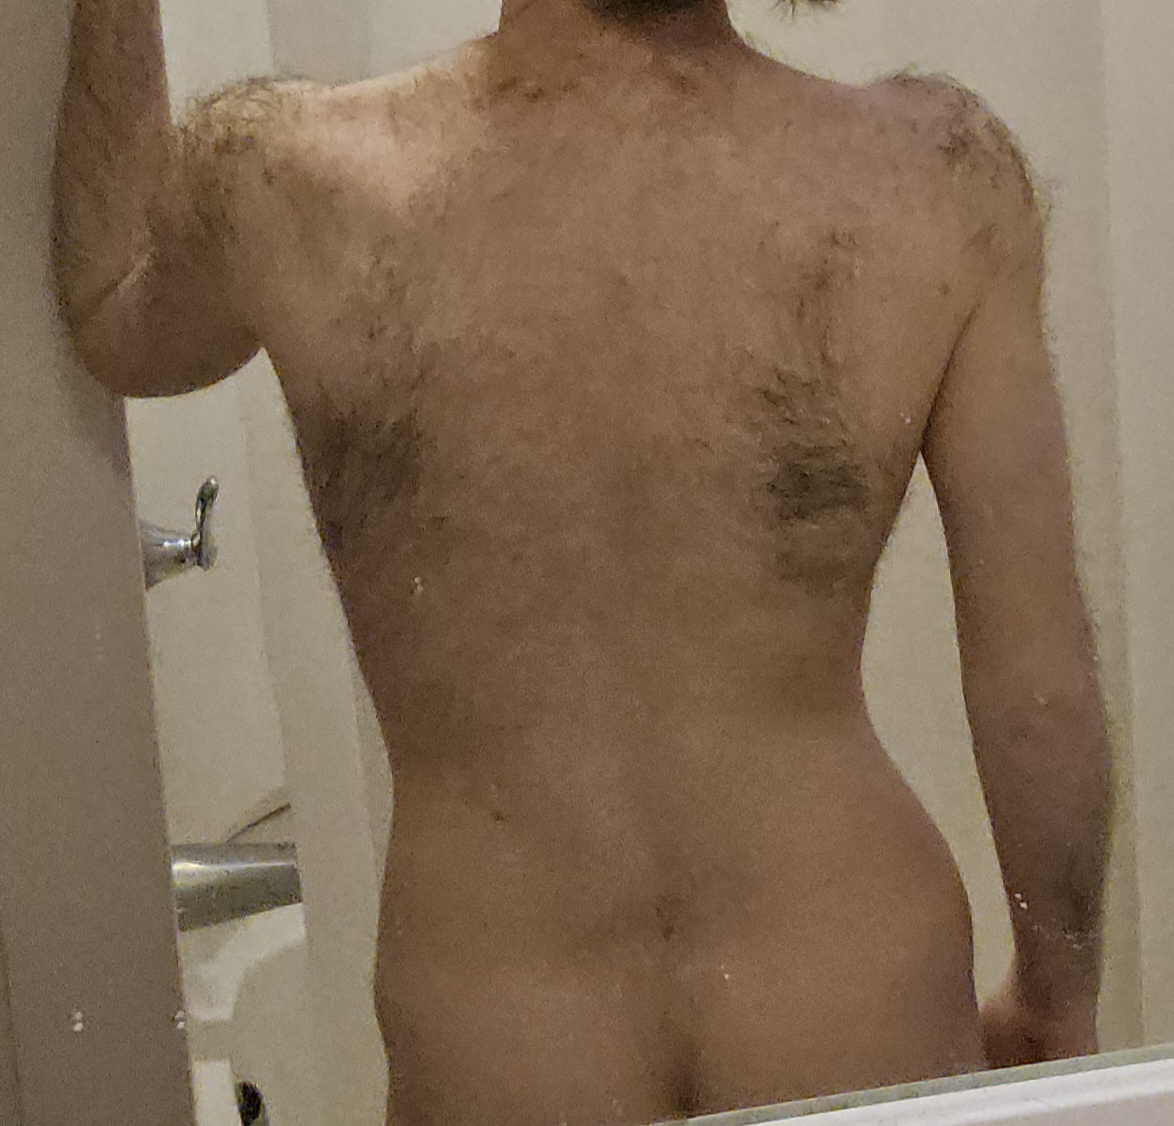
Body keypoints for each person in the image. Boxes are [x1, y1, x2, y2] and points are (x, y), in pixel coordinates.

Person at [50, 0, 1115, 1123]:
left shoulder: (290, 178)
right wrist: (1058, 997)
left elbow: (113, 309)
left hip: (505, 1050)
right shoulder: (936, 180)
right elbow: (1036, 685)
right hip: (851, 1008)